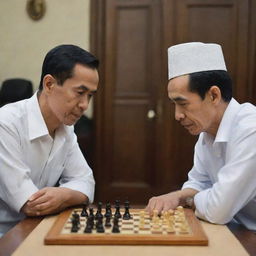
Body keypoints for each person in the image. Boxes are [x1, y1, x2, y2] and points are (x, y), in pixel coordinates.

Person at [146, 42, 256, 231]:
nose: (177, 115)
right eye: (174, 104)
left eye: (183, 104)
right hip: (237, 231)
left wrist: (189, 199)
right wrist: (176, 196)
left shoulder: (250, 129)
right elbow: (199, 182)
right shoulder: (206, 133)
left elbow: (218, 211)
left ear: (214, 95)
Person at [0, 44, 99, 236]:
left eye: (90, 96)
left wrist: (63, 194)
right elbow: (30, 204)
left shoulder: (66, 129)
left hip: (38, 228)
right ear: (49, 84)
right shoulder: (6, 124)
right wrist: (72, 195)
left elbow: (87, 183)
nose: (85, 105)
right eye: (80, 93)